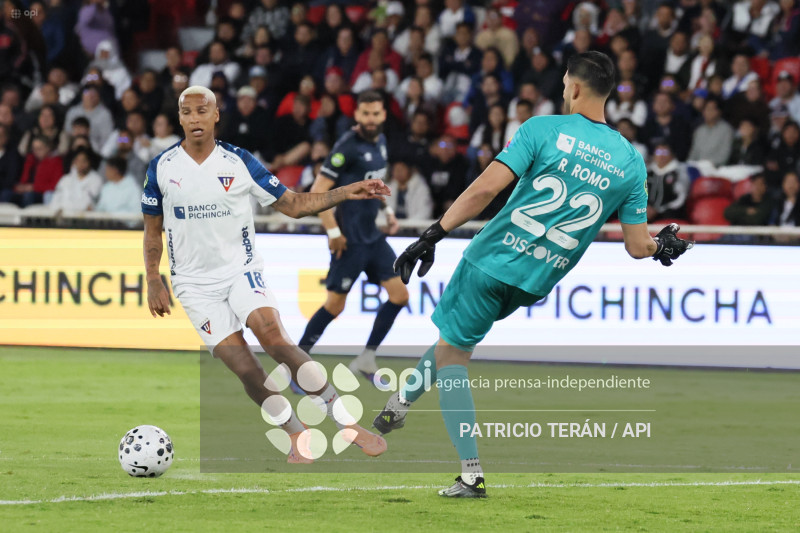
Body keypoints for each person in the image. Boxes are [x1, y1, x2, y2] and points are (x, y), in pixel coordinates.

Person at [372, 51, 693, 498]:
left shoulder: (542, 129)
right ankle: (399, 404)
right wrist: (664, 246)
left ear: (575, 87)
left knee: (453, 360)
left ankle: (470, 473)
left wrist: (431, 235)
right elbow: (639, 247)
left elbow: (485, 188)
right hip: (534, 281)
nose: (562, 89)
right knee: (454, 339)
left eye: (564, 82)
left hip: (490, 261)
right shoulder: (630, 161)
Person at [142, 86, 389, 464]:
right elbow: (152, 231)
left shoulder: (238, 162)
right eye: (187, 112)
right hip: (194, 286)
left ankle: (346, 423)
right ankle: (296, 434)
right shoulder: (161, 167)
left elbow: (293, 204)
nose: (195, 119)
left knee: (271, 334)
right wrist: (153, 279)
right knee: (245, 368)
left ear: (216, 115)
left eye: (202, 111)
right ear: (179, 118)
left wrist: (349, 190)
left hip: (241, 270)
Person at [298, 91, 408, 381]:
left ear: (383, 115)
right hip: (349, 239)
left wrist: (388, 212)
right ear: (357, 115)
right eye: (365, 114)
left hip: (372, 236)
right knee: (335, 305)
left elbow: (376, 183)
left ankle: (366, 359)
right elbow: (316, 194)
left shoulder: (381, 143)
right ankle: (296, 366)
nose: (370, 119)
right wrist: (333, 231)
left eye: (375, 114)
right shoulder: (346, 147)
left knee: (400, 295)